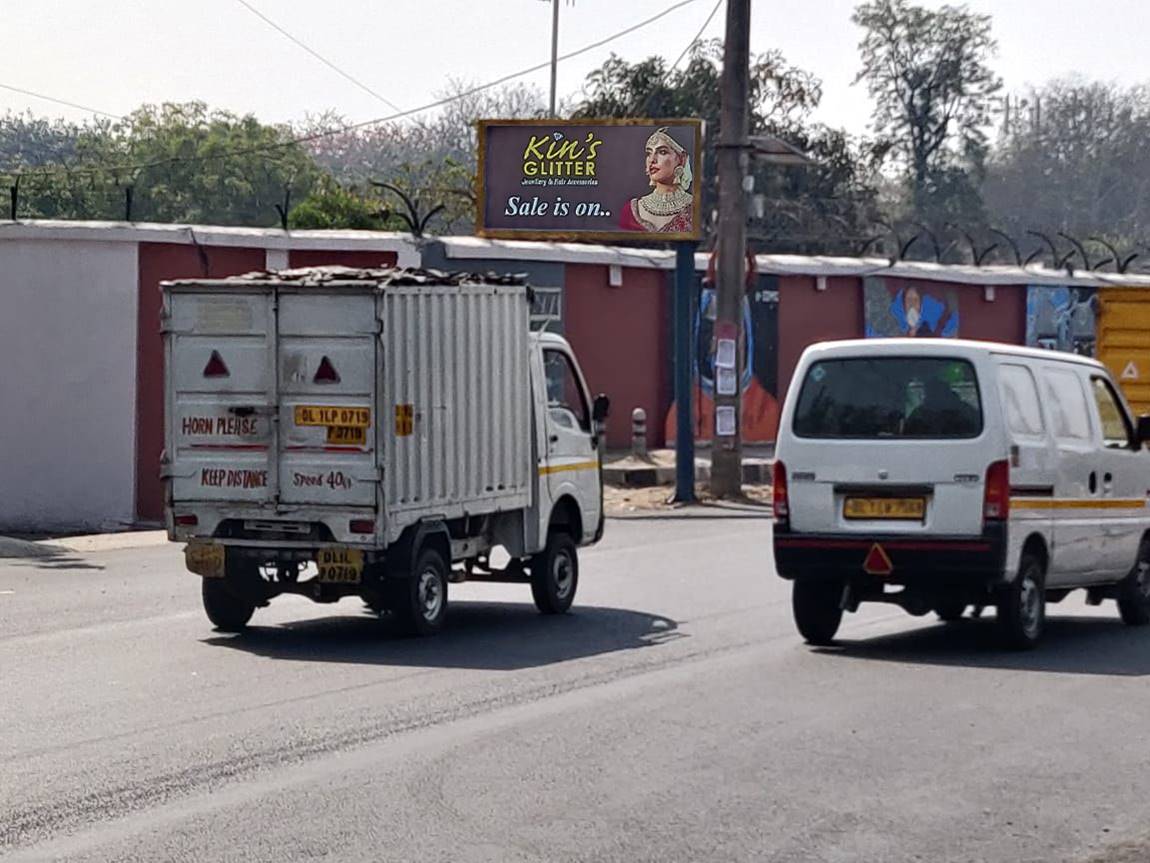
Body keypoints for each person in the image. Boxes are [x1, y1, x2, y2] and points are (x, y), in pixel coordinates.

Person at [619, 127, 694, 233]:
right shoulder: (631, 211)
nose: (652, 160)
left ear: (682, 159)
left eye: (662, 152)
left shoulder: (695, 209)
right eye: (649, 153)